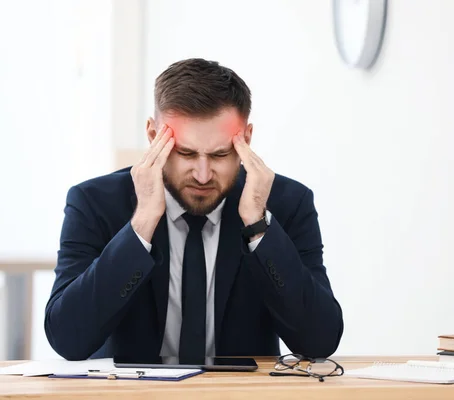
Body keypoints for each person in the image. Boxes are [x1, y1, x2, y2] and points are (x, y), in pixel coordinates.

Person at [44, 58, 343, 362]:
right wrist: (142, 223)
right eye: (185, 153)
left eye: (220, 154)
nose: (202, 175)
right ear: (153, 136)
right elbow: (68, 339)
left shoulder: (287, 204)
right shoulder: (95, 203)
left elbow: (319, 341)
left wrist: (258, 227)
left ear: (246, 140)